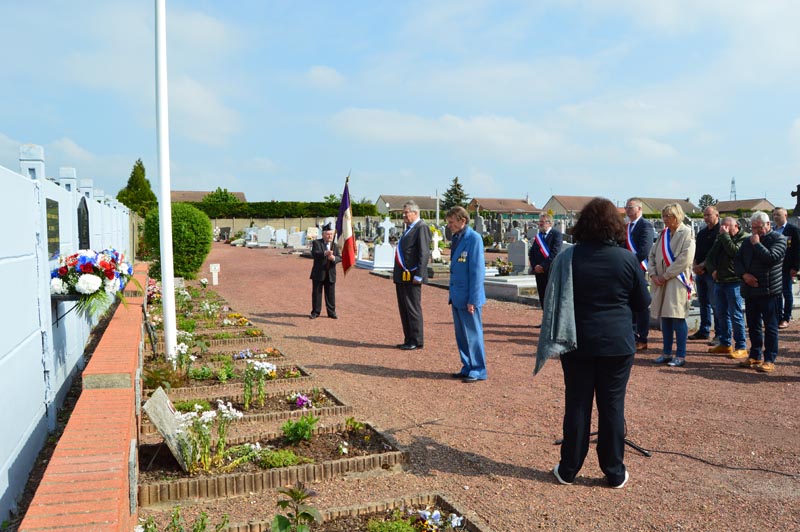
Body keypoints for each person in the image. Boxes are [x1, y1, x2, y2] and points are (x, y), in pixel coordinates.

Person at [543, 198, 650, 489]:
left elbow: (551, 300)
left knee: (577, 404)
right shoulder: (627, 259)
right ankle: (614, 471)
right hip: (617, 342)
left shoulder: (568, 257)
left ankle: (568, 469)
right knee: (612, 405)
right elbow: (642, 302)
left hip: (577, 341)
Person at [733, 211, 786, 373]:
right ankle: (755, 355)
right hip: (750, 290)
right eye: (753, 228)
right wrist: (744, 275)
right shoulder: (748, 241)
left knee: (770, 327)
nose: (755, 231)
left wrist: (757, 244)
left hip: (769, 291)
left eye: (759, 227)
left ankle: (769, 359)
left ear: (768, 224)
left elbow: (771, 258)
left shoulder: (779, 239)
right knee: (753, 325)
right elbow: (737, 260)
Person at [648, 203, 695, 367]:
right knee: (665, 317)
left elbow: (685, 259)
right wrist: (653, 274)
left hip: (677, 281)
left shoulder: (686, 232)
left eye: (668, 216)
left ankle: (680, 355)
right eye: (664, 216)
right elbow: (652, 255)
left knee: (677, 316)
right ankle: (666, 352)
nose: (665, 219)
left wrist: (666, 275)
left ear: (677, 216)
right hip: (661, 280)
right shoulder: (664, 234)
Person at [445, 206, 487, 383]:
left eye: (452, 222)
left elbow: (477, 272)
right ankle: (467, 365)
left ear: (462, 220)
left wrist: (473, 300)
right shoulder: (457, 238)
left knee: (473, 334)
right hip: (457, 295)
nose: (449, 226)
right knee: (462, 335)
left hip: (468, 297)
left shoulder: (474, 239)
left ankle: (478, 369)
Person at [705, 217, 749, 359]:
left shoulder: (744, 238)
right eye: (722, 226)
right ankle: (725, 343)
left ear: (736, 226)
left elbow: (734, 252)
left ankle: (741, 346)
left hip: (734, 282)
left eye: (727, 226)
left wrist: (724, 236)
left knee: (735, 314)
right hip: (720, 281)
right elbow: (710, 257)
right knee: (721, 314)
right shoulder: (721, 237)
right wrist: (712, 270)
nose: (723, 228)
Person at [393, 200, 431, 350]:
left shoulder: (421, 227)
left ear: (415, 213)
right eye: (403, 213)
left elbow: (424, 252)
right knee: (404, 308)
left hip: (412, 275)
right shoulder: (409, 229)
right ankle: (408, 338)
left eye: (406, 213)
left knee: (412, 308)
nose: (404, 215)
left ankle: (416, 340)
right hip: (403, 275)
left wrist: (419, 275)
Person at [624, 197, 655, 351]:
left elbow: (644, 249)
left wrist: (630, 265)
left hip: (639, 269)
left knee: (641, 304)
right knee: (628, 303)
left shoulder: (645, 226)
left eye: (630, 207)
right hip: (627, 270)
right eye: (626, 207)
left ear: (639, 209)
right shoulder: (627, 227)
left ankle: (642, 337)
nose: (627, 210)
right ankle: (631, 335)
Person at [688, 206, 721, 345]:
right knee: (703, 302)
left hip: (712, 273)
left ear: (717, 215)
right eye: (705, 215)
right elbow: (697, 251)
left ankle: (719, 333)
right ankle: (704, 329)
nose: (706, 218)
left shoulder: (720, 232)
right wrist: (695, 265)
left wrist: (702, 266)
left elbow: (715, 253)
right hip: (700, 273)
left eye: (709, 215)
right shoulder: (702, 232)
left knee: (715, 304)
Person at [529, 213, 562, 320]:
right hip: (538, 272)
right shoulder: (539, 236)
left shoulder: (556, 234)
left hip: (550, 270)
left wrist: (543, 266)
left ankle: (552, 321)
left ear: (549, 223)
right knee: (542, 295)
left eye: (542, 222)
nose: (540, 224)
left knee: (551, 296)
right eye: (540, 222)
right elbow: (532, 253)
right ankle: (545, 320)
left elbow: (555, 253)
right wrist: (535, 266)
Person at [772, 207, 799, 328]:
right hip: (774, 268)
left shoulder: (793, 230)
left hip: (787, 267)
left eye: (778, 215)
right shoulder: (773, 230)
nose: (775, 217)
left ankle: (786, 318)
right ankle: (778, 316)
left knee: (786, 292)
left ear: (785, 215)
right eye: (774, 215)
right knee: (776, 293)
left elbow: (797, 250)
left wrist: (795, 267)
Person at [309, 223, 340, 319]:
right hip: (319, 273)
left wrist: (333, 258)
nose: (330, 236)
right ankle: (315, 312)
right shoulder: (317, 243)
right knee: (317, 293)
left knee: (330, 294)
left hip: (330, 273)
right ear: (323, 235)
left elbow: (339, 257)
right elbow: (314, 253)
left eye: (331, 234)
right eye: (328, 234)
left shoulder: (335, 245)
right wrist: (325, 253)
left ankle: (331, 312)